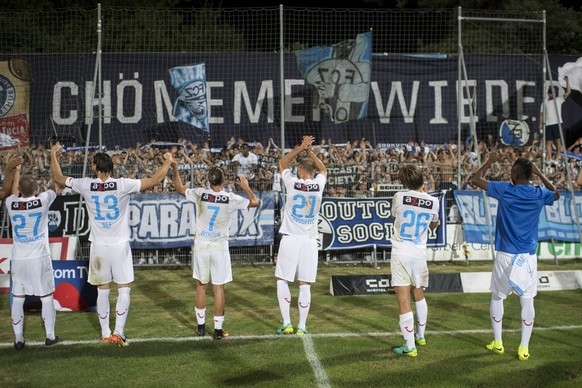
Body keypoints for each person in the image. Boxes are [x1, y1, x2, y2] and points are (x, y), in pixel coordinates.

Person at [50, 144, 174, 346]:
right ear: (111, 168)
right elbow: (155, 180)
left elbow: (58, 178)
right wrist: (168, 161)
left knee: (103, 290)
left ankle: (106, 333)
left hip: (98, 245)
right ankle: (119, 332)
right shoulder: (122, 184)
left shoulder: (86, 184)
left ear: (94, 167)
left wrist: (53, 156)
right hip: (119, 244)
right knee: (124, 289)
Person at [471, 151, 559, 361]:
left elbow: (475, 179)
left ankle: (498, 342)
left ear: (515, 174)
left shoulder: (505, 190)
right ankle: (524, 348)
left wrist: (489, 161)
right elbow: (555, 194)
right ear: (530, 175)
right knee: (527, 300)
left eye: (512, 170)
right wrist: (540, 174)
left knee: (497, 296)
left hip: (505, 254)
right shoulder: (538, 194)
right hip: (527, 257)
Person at [172, 164, 259, 339]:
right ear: (224, 180)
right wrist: (247, 187)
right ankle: (218, 330)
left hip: (201, 246)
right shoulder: (230, 197)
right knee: (218, 288)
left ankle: (201, 328)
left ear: (209, 181)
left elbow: (179, 188)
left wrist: (174, 167)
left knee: (201, 287)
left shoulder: (200, 193)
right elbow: (255, 202)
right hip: (219, 247)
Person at [275, 135, 327, 336]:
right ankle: (302, 326)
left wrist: (300, 148)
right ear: (312, 173)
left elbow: (282, 162)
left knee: (282, 279)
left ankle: (287, 322)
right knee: (305, 284)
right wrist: (310, 151)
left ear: (299, 170)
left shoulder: (292, 183)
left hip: (290, 238)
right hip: (309, 241)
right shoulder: (319, 184)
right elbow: (323, 169)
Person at [7, 161, 62, 350]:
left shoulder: (11, 203)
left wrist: (18, 171)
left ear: (20, 190)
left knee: (18, 298)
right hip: (39, 258)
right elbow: (57, 186)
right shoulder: (43, 200)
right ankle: (50, 336)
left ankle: (19, 339)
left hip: (19, 259)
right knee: (46, 297)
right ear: (36, 188)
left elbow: (13, 192)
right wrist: (55, 162)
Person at [389, 165, 440, 357]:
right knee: (419, 294)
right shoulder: (434, 201)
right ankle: (421, 336)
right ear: (422, 180)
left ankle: (410, 346)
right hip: (419, 253)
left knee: (403, 299)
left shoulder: (399, 197)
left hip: (401, 251)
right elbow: (434, 224)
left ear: (403, 182)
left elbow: (395, 215)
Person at [539, 76, 570, 161]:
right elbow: (541, 114)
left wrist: (567, 81)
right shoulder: (544, 102)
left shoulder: (558, 100)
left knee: (558, 142)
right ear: (548, 94)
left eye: (554, 92)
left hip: (557, 123)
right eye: (551, 93)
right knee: (548, 142)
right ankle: (549, 158)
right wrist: (540, 124)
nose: (553, 94)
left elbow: (568, 92)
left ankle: (556, 158)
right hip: (548, 124)